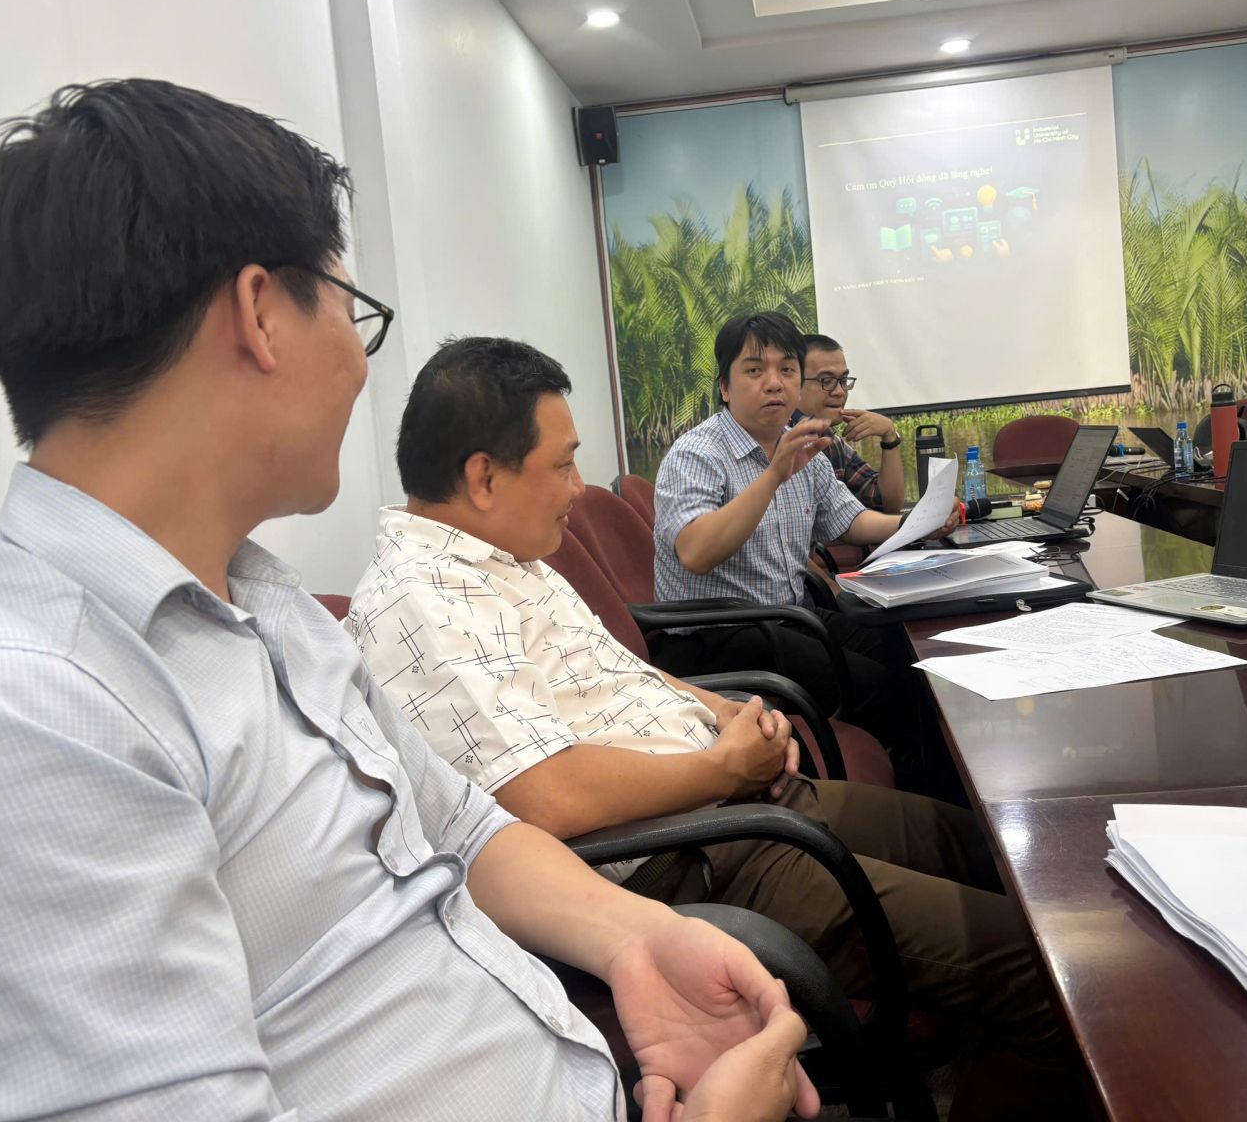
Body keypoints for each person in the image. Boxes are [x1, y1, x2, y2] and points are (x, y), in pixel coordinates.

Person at [0, 78, 814, 1122]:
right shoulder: (10, 707)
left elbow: (460, 825)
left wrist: (636, 939)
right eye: (354, 312)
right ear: (262, 314)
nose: (356, 365)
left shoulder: (267, 605)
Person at [345, 336, 1073, 1119]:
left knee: (978, 844)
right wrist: (725, 769)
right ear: (484, 477)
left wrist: (717, 711)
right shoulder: (422, 602)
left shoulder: (510, 559)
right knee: (1049, 977)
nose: (578, 487)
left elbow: (620, 673)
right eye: (563, 465)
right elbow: (544, 797)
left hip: (733, 805)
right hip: (688, 862)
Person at [649, 313, 957, 735]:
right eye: (754, 370)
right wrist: (774, 474)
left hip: (786, 618)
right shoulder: (696, 454)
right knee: (875, 687)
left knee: (904, 652)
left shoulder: (800, 443)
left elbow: (851, 521)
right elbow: (696, 552)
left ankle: (925, 767)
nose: (774, 383)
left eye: (787, 370)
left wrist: (918, 523)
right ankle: (902, 770)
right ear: (724, 387)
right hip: (714, 636)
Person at [795, 334, 905, 511]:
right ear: (793, 383)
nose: (840, 391)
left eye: (844, 381)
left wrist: (890, 436)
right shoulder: (775, 440)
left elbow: (887, 503)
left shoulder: (832, 443)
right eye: (827, 381)